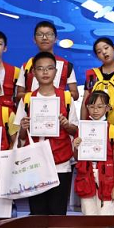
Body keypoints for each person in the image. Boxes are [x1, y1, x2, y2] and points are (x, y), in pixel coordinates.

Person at [14, 51, 79, 215]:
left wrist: (66, 124)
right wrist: (24, 127)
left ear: (56, 72)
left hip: (61, 163)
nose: (45, 72)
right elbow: (21, 137)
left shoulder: (66, 97)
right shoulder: (27, 99)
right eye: (40, 68)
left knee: (58, 214)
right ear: (34, 72)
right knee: (37, 213)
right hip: (35, 164)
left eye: (49, 68)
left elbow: (75, 130)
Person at [72, 91, 114, 215]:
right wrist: (76, 147)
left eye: (100, 107)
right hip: (86, 178)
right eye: (92, 106)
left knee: (107, 215)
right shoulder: (82, 129)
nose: (95, 110)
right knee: (88, 215)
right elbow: (77, 158)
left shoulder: (113, 131)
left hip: (107, 179)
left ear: (108, 108)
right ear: (87, 107)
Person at [16, 20, 79, 99]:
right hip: (32, 106)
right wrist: (36, 97)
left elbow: (75, 94)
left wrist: (56, 96)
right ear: (34, 39)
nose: (44, 38)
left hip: (59, 106)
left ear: (55, 39)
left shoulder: (66, 65)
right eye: (40, 34)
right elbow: (19, 95)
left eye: (49, 34)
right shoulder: (27, 66)